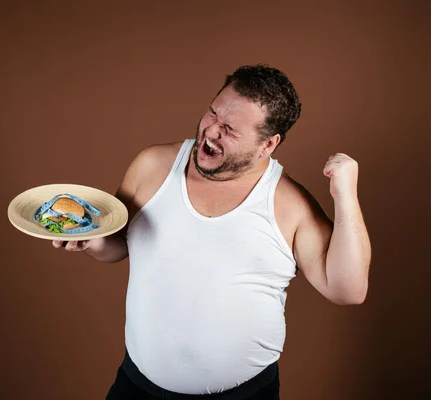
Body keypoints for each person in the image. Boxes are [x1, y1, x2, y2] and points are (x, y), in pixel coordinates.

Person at [53, 64, 371, 399]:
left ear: (268, 144)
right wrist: (92, 240)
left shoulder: (289, 204)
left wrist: (345, 195)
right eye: (212, 113)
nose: (211, 131)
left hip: (243, 395)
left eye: (231, 129)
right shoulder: (152, 166)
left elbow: (348, 290)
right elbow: (119, 246)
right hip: (138, 387)